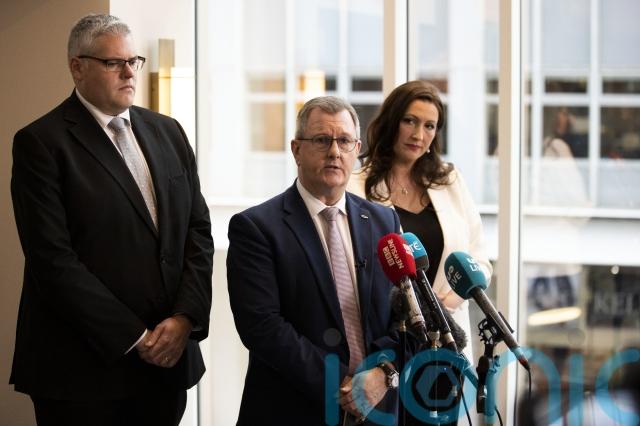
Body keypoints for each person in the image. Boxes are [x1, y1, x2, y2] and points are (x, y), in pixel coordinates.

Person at [10, 14, 214, 426]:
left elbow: (198, 231)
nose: (129, 72)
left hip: (167, 366)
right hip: (82, 372)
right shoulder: (41, 143)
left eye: (133, 61)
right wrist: (137, 337)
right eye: (113, 63)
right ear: (78, 67)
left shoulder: (169, 132)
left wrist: (184, 318)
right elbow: (53, 261)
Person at [227, 96, 406, 425]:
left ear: (357, 149)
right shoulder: (256, 227)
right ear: (296, 150)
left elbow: (406, 314)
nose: (334, 151)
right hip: (294, 409)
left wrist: (383, 372)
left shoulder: (384, 222)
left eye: (345, 141)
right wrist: (345, 385)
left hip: (376, 409)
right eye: (322, 140)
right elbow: (262, 327)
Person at [349, 80, 492, 424]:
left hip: (444, 343)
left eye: (429, 126)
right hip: (388, 346)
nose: (419, 134)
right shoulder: (356, 185)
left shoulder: (450, 181)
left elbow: (480, 261)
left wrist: (447, 301)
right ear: (391, 122)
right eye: (410, 121)